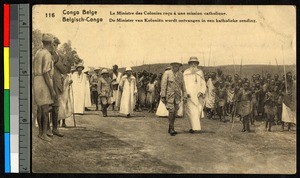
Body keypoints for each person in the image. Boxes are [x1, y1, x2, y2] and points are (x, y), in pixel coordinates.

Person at [33, 34, 56, 142]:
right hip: (43, 81)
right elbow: (46, 72)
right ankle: (43, 134)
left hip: (36, 80)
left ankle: (40, 133)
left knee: (39, 108)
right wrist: (52, 90)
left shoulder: (38, 52)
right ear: (50, 44)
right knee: (45, 110)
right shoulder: (46, 54)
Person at [49, 36, 69, 137]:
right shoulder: (50, 55)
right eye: (52, 44)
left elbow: (64, 70)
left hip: (56, 82)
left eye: (55, 45)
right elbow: (63, 69)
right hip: (50, 82)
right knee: (48, 106)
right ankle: (49, 128)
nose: (54, 47)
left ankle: (55, 128)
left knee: (55, 106)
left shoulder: (56, 55)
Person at [161, 61, 186, 136]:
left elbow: (183, 86)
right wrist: (163, 96)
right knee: (171, 111)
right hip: (169, 96)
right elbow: (163, 85)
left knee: (175, 112)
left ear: (179, 66)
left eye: (177, 65)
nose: (175, 67)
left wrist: (185, 95)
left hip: (177, 96)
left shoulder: (181, 74)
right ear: (172, 66)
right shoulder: (167, 73)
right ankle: (172, 128)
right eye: (174, 65)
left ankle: (170, 126)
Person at [183, 57, 206, 133]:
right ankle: (193, 128)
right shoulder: (186, 72)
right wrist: (185, 92)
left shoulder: (200, 72)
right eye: (192, 63)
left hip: (198, 95)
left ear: (197, 64)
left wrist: (202, 92)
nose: (193, 64)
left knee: (198, 111)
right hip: (189, 95)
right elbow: (183, 84)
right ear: (189, 64)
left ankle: (195, 127)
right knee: (190, 112)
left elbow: (203, 84)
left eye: (195, 63)